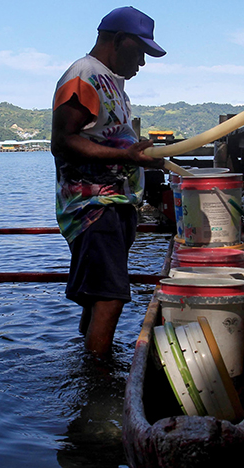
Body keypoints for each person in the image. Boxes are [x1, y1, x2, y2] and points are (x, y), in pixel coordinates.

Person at [51, 6, 167, 357]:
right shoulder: (83, 75)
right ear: (118, 40)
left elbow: (107, 137)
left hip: (115, 207)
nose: (143, 64)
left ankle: (85, 366)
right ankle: (99, 389)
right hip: (94, 207)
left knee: (99, 297)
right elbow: (63, 142)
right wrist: (127, 157)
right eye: (141, 52)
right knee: (110, 298)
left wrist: (140, 157)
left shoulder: (111, 84)